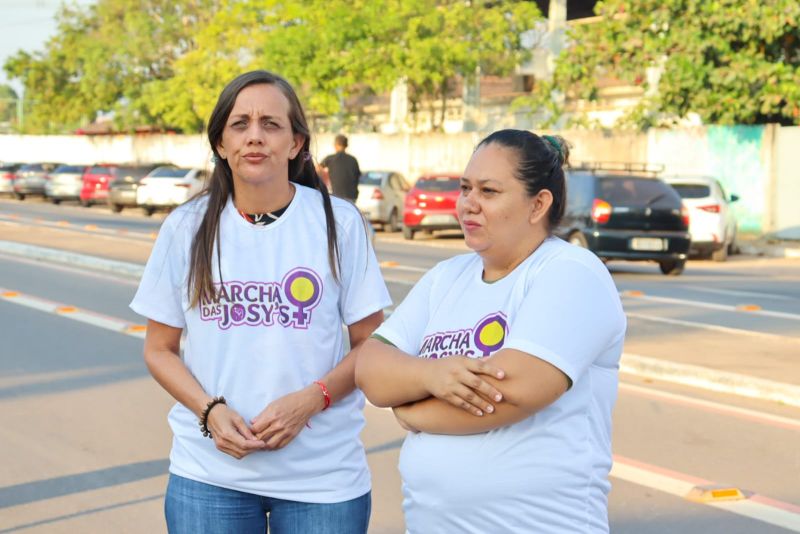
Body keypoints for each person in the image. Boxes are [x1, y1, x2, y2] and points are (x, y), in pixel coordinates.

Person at [130, 70, 391, 534]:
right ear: (220, 143)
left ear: (295, 143)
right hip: (209, 478)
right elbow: (158, 349)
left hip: (322, 482)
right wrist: (209, 411)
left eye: (271, 124)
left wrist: (314, 398)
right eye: (240, 124)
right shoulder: (185, 227)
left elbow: (371, 346)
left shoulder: (341, 223)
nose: (255, 136)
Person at [355, 129, 626, 533]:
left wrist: (410, 408)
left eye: (489, 191)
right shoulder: (446, 276)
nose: (468, 204)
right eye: (465, 188)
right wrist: (434, 375)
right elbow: (371, 368)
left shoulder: (571, 272)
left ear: (538, 204)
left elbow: (509, 392)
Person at [320, 134, 361, 201]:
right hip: (352, 197)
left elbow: (317, 169)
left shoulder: (330, 159)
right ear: (346, 145)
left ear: (335, 145)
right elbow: (358, 176)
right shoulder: (353, 160)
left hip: (337, 197)